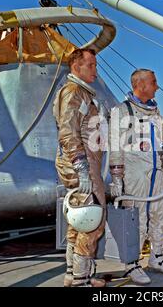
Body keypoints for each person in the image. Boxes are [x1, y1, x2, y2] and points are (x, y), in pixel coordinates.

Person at [109, 69, 163, 285]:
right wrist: (117, 177)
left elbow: (162, 144)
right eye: (153, 82)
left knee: (161, 217)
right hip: (134, 174)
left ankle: (157, 258)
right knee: (137, 221)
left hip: (156, 174)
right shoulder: (121, 111)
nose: (157, 86)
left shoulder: (155, 112)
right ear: (140, 85)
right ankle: (132, 264)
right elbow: (114, 146)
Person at [53, 48, 107, 287]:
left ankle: (72, 274)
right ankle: (81, 280)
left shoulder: (81, 93)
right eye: (91, 65)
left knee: (78, 220)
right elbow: (68, 132)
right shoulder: (74, 92)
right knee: (91, 220)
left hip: (81, 164)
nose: (95, 70)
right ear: (76, 66)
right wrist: (82, 168)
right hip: (81, 166)